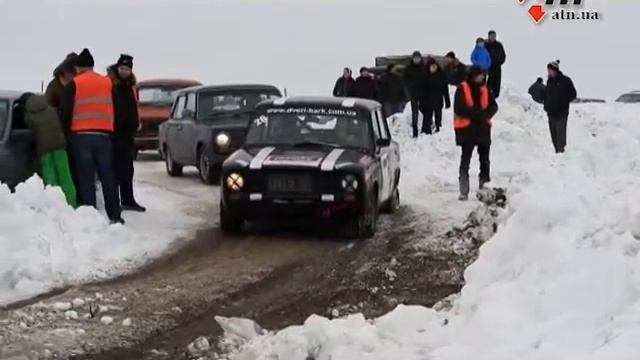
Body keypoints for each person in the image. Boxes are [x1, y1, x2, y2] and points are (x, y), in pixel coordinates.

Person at [60, 48, 124, 224]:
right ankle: (115, 215)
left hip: (80, 137)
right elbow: (117, 108)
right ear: (92, 66)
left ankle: (91, 216)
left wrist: (65, 133)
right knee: (107, 177)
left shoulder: (74, 84)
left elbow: (65, 112)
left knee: (86, 177)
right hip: (103, 136)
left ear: (79, 68)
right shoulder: (107, 83)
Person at [20, 92, 77, 207]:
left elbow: (29, 131)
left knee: (50, 175)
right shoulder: (50, 109)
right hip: (59, 146)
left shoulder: (29, 115)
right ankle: (71, 203)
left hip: (44, 148)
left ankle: (55, 205)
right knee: (65, 175)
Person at [453, 65, 498, 201]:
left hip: (483, 130)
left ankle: (484, 188)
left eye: (483, 75)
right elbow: (459, 108)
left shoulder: (486, 89)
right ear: (473, 75)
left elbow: (494, 106)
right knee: (465, 160)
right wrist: (478, 114)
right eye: (480, 75)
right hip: (467, 130)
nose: (482, 77)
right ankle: (463, 190)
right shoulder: (462, 88)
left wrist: (486, 115)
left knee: (484, 161)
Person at [109, 54, 146, 212]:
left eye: (127, 69)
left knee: (128, 168)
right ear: (117, 68)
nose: (124, 71)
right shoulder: (111, 85)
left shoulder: (131, 86)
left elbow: (134, 106)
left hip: (128, 133)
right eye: (122, 68)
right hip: (114, 132)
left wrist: (137, 122)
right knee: (116, 169)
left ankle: (128, 199)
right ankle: (114, 201)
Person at [543, 60, 577, 153]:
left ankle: (561, 156)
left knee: (560, 137)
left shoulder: (565, 80)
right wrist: (546, 106)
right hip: (551, 113)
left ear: (555, 70)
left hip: (561, 113)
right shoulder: (549, 81)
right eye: (548, 70)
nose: (549, 72)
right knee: (554, 136)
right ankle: (557, 152)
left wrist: (563, 102)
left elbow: (573, 94)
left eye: (550, 70)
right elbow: (547, 95)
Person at [419, 58, 450, 134]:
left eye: (435, 66)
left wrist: (447, 100)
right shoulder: (424, 76)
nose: (433, 68)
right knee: (427, 117)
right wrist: (421, 102)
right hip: (427, 101)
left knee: (438, 116)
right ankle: (426, 131)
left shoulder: (441, 76)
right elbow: (422, 90)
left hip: (438, 100)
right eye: (432, 67)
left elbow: (445, 89)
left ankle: (438, 129)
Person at [404, 51, 427, 138]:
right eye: (415, 58)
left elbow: (427, 80)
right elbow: (405, 81)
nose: (416, 60)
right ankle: (415, 130)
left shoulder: (424, 68)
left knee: (425, 110)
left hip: (423, 93)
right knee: (414, 112)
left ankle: (425, 128)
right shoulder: (409, 68)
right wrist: (409, 91)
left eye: (418, 58)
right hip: (413, 93)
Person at [485, 30, 506, 98]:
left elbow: (503, 55)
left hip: (497, 66)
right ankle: (487, 95)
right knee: (489, 81)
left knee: (497, 81)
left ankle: (496, 96)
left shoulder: (499, 45)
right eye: (491, 36)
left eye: (494, 36)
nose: (492, 37)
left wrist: (500, 62)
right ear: (489, 36)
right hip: (489, 67)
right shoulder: (486, 45)